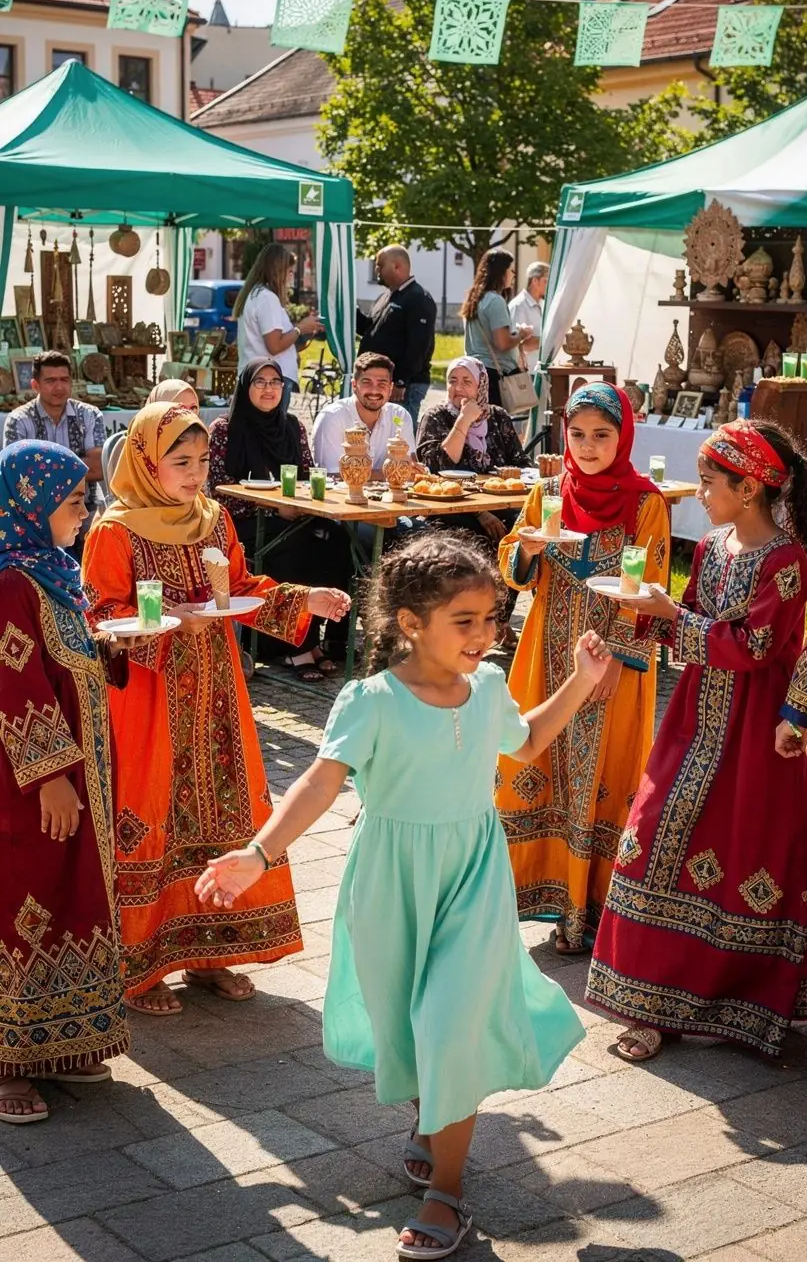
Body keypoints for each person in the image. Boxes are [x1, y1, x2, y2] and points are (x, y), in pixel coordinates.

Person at [195, 532, 610, 1257]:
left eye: (492, 619)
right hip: (391, 882)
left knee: (450, 1021)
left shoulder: (487, 686)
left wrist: (580, 681)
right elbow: (319, 783)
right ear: (412, 624)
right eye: (467, 621)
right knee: (409, 1024)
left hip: (472, 880)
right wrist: (260, 853)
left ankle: (448, 1194)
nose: (486, 635)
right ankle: (431, 1116)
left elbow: (528, 741)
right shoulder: (372, 701)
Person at [83, 402, 350, 1015]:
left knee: (220, 806)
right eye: (180, 461)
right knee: (150, 810)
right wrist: (168, 619)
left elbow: (242, 587)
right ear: (147, 463)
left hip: (215, 693)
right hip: (148, 697)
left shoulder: (213, 519)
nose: (196, 472)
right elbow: (96, 617)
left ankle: (210, 954)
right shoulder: (114, 531)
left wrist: (305, 597)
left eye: (202, 460)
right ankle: (141, 967)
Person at [586, 419, 807, 1062]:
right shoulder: (713, 545)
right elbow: (689, 619)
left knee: (742, 861)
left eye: (712, 482)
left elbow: (756, 647)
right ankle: (648, 1005)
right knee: (649, 840)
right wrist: (636, 628)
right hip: (692, 722)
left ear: (748, 488)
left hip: (755, 734)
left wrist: (672, 617)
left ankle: (739, 1008)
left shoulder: (788, 562)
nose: (702, 493)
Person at [494, 383, 670, 951]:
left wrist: (619, 657)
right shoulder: (547, 492)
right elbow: (515, 574)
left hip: (614, 666)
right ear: (562, 435)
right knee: (532, 756)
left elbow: (653, 587)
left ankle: (592, 909)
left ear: (624, 437)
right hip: (546, 650)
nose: (589, 446)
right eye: (578, 435)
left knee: (605, 776)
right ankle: (533, 894)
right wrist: (526, 551)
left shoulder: (646, 503)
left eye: (602, 435)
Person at [0, 442, 130, 1123]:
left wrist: (107, 652)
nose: (86, 512)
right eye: (76, 501)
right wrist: (50, 774)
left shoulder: (54, 574)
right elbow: (12, 680)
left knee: (74, 890)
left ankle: (64, 1040)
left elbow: (65, 659)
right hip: (27, 787)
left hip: (84, 773)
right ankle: (9, 1060)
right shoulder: (9, 584)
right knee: (25, 899)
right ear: (30, 503)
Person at [209, 360, 354, 679]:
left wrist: (301, 503)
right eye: (260, 382)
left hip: (293, 516)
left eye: (275, 382)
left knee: (337, 541)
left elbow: (306, 473)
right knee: (295, 546)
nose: (268, 388)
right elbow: (216, 488)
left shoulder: (291, 426)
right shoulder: (225, 428)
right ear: (245, 387)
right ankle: (293, 647)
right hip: (247, 522)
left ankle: (320, 638)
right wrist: (272, 509)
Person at [417, 357, 529, 648]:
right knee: (480, 540)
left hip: (500, 507)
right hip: (451, 509)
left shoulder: (499, 417)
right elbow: (437, 466)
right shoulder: (436, 416)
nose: (459, 388)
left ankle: (501, 620)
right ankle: (468, 624)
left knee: (521, 538)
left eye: (467, 381)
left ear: (481, 386)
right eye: (453, 380)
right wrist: (464, 420)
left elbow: (520, 463)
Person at [3, 351, 105, 558]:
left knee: (100, 539)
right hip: (37, 513)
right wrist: (77, 467)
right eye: (50, 381)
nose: (59, 387)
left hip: (85, 505)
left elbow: (98, 468)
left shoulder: (89, 414)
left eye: (64, 380)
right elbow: (16, 478)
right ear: (35, 385)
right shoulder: (19, 420)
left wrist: (43, 471)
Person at [357, 246, 436, 430]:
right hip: (384, 382)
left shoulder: (418, 298)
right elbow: (370, 329)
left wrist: (401, 381)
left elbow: (419, 345)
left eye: (380, 266)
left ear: (397, 266)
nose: (376, 271)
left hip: (404, 387)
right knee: (381, 432)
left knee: (399, 434)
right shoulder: (387, 297)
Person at [313, 352, 417, 477]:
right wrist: (388, 474)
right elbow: (332, 475)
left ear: (391, 388)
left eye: (382, 383)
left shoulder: (399, 416)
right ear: (354, 385)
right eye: (367, 382)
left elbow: (410, 466)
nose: (374, 390)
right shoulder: (332, 417)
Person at [100, 379, 200, 507]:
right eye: (179, 408)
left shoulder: (200, 443)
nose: (189, 415)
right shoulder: (134, 446)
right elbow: (123, 498)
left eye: (193, 408)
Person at [233, 242, 321, 385]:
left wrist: (306, 330)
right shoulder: (267, 298)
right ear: (278, 271)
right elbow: (274, 346)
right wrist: (300, 328)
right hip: (271, 379)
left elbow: (278, 341)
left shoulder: (256, 294)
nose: (291, 276)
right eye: (290, 271)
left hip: (260, 376)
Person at [460, 249, 532, 407]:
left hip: (474, 370)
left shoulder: (474, 298)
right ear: (501, 272)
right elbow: (502, 343)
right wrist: (522, 334)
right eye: (511, 270)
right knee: (497, 426)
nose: (513, 274)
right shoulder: (495, 301)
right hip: (494, 374)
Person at [509, 261, 549, 363]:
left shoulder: (543, 304)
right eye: (546, 281)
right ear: (535, 281)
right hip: (527, 372)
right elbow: (519, 344)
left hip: (542, 371)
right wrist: (550, 341)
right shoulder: (519, 306)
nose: (549, 286)